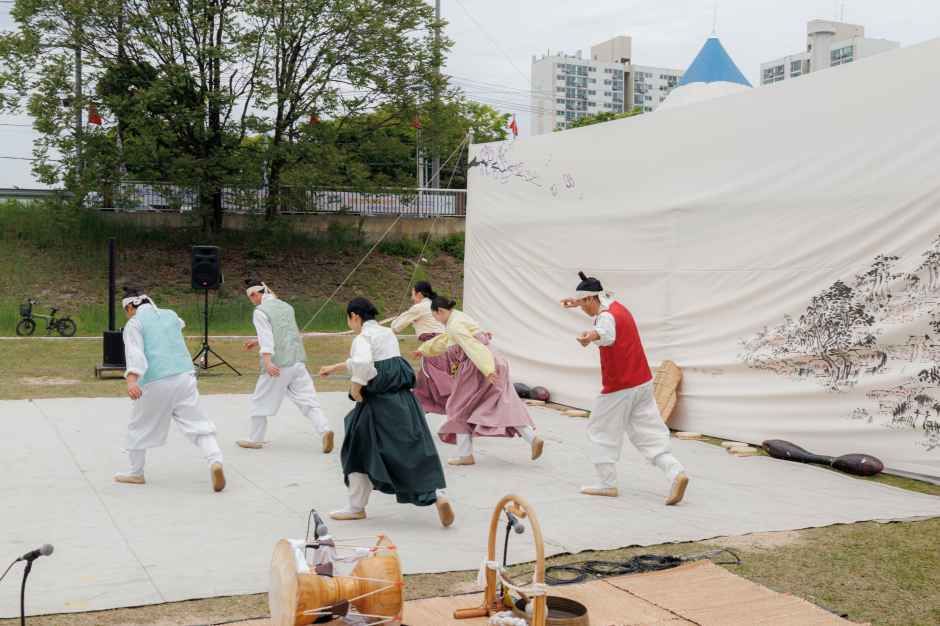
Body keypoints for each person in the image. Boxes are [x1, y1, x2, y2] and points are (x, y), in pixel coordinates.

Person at [319, 297, 454, 527]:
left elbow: (364, 364)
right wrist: (335, 367)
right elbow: (378, 361)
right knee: (409, 450)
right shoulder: (386, 333)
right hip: (403, 403)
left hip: (377, 404)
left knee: (355, 448)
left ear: (354, 316)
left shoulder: (363, 337)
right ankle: (436, 495)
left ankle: (356, 507)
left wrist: (356, 390)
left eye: (349, 319)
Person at [561, 272, 689, 505]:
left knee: (599, 430)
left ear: (591, 299)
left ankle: (606, 484)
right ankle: (675, 472)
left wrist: (589, 336)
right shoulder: (617, 306)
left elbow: (606, 334)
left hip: (620, 386)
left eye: (583, 304)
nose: (582, 310)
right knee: (648, 432)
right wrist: (575, 302)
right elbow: (599, 312)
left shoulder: (606, 317)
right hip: (642, 381)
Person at [116, 288, 225, 492]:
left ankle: (136, 472)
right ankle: (215, 461)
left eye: (126, 310)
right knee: (198, 423)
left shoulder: (135, 323)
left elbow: (135, 353)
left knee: (139, 426)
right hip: (185, 375)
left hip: (156, 380)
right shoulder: (170, 314)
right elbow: (179, 324)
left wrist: (132, 380)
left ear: (130, 306)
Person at [416, 297, 544, 466]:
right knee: (502, 403)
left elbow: (471, 346)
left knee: (458, 406)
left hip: (478, 366)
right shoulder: (459, 317)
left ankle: (465, 455)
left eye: (435, 316)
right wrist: (424, 349)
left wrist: (487, 369)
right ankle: (532, 438)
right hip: (496, 360)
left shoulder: (454, 325)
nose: (436, 320)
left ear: (439, 311)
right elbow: (445, 340)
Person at [239, 279, 333, 453]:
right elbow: (284, 331)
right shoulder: (287, 306)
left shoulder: (260, 312)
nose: (251, 300)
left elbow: (268, 338)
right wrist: (256, 341)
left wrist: (267, 361)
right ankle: (325, 429)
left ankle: (255, 438)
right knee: (307, 400)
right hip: (297, 361)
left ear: (254, 294)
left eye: (251, 297)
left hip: (278, 364)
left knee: (260, 399)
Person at [389, 281, 453, 414]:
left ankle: (413, 421)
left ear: (419, 294)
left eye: (412, 294)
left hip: (433, 349)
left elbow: (396, 327)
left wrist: (406, 317)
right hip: (445, 348)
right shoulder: (435, 305)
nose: (412, 298)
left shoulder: (420, 307)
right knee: (426, 388)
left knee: (433, 387)